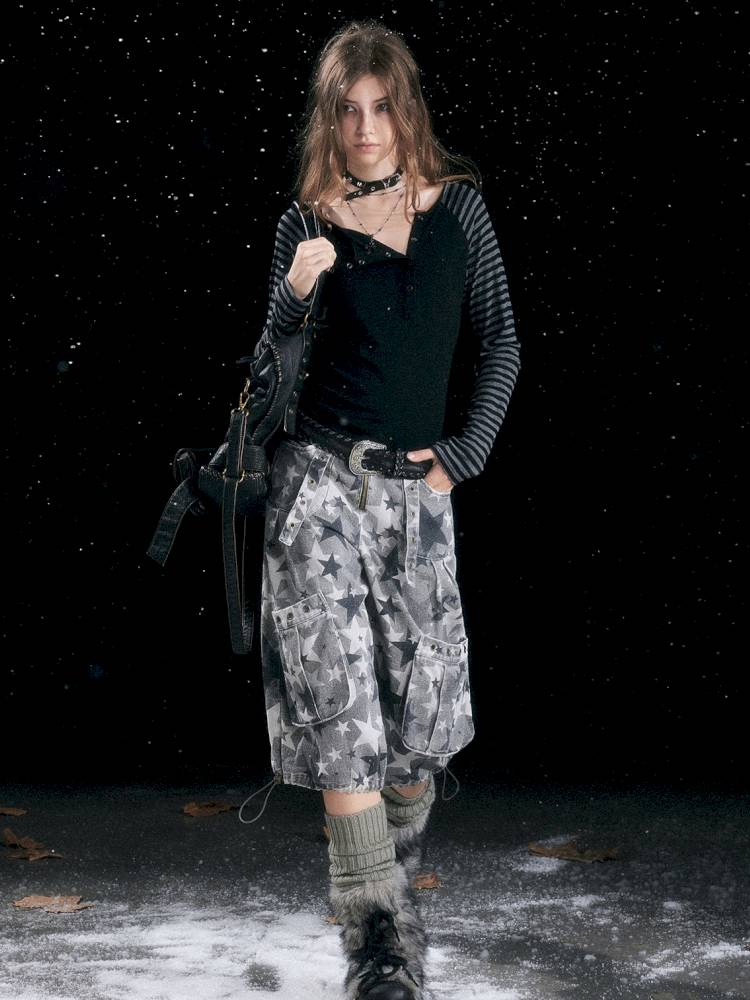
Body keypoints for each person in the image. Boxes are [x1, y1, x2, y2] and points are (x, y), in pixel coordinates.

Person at [242, 18, 521, 1000]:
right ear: (329, 119)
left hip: (416, 491)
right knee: (342, 717)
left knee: (422, 732)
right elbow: (264, 390)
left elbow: (502, 344)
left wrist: (462, 455)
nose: (365, 129)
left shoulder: (461, 213)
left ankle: (386, 889)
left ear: (407, 113)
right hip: (315, 484)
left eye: (381, 108)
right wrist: (291, 300)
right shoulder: (305, 225)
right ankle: (375, 946)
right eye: (347, 111)